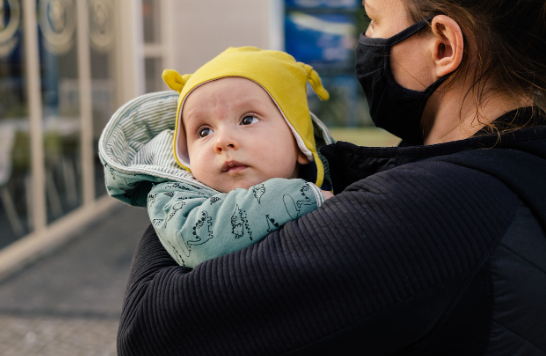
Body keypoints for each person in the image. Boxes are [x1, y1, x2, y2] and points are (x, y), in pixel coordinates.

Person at [117, 0, 546, 355]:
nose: (367, 41)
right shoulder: (507, 164)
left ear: (441, 47)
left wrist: (179, 183)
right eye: (203, 132)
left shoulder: (434, 207)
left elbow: (151, 331)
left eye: (374, 20)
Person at [99, 47, 333, 268]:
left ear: (300, 143)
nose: (222, 141)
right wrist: (302, 197)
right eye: (204, 131)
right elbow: (196, 240)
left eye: (247, 120)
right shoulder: (174, 198)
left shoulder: (344, 180)